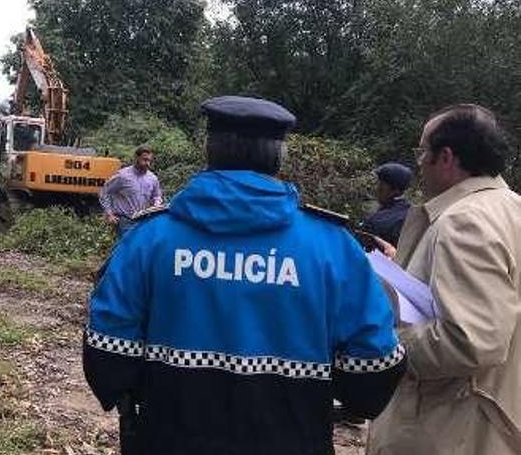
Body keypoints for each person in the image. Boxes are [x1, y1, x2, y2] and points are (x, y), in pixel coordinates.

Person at [84, 96, 406, 455]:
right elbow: (373, 371)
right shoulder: (333, 246)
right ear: (278, 157)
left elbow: (106, 357)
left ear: (209, 150)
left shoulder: (148, 239)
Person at [368, 104, 521, 455]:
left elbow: (470, 340)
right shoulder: (511, 209)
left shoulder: (464, 222)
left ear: (446, 157)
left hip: (451, 428)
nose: (418, 163)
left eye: (422, 151)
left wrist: (384, 340)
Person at [99, 146, 163, 237]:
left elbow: (157, 195)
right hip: (125, 221)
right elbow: (104, 192)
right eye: (144, 160)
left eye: (149, 161)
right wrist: (109, 214)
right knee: (127, 248)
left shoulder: (152, 178)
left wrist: (157, 204)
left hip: (143, 221)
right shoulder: (122, 176)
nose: (147, 163)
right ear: (136, 158)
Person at [359, 163, 413, 246]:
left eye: (381, 186)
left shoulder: (378, 221)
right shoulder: (412, 214)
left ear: (395, 191)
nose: (377, 189)